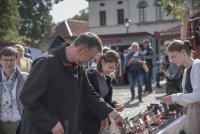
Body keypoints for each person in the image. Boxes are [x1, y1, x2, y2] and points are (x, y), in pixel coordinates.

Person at [18, 32, 125, 134]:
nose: (91, 61)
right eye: (91, 57)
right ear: (80, 49)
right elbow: (27, 98)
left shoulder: (78, 66)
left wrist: (114, 114)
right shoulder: (46, 63)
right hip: (41, 129)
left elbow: (90, 93)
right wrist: (51, 122)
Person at [81, 50, 124, 134]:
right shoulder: (90, 75)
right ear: (103, 62)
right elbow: (91, 101)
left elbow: (106, 100)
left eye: (114, 69)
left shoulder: (107, 78)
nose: (111, 71)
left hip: (100, 119)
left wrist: (114, 104)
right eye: (110, 67)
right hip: (88, 119)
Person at [163, 40, 200, 134]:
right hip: (191, 113)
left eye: (173, 56)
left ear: (183, 52)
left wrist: (174, 97)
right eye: (170, 58)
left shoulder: (197, 66)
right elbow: (187, 94)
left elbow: (198, 95)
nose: (172, 60)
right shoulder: (187, 70)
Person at [0, 47, 28, 134]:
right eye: (5, 60)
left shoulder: (25, 78)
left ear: (16, 60)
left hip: (18, 122)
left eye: (12, 60)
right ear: (0, 61)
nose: (9, 63)